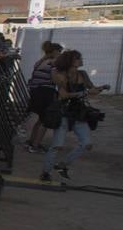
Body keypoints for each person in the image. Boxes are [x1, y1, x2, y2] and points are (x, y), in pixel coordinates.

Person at [42, 50, 108, 182]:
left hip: (78, 112)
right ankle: (45, 172)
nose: (81, 60)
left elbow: (92, 90)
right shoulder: (58, 73)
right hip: (63, 112)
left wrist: (101, 88)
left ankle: (62, 165)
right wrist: (83, 93)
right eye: (78, 58)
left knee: (86, 144)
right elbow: (64, 95)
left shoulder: (82, 74)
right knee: (57, 145)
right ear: (70, 60)